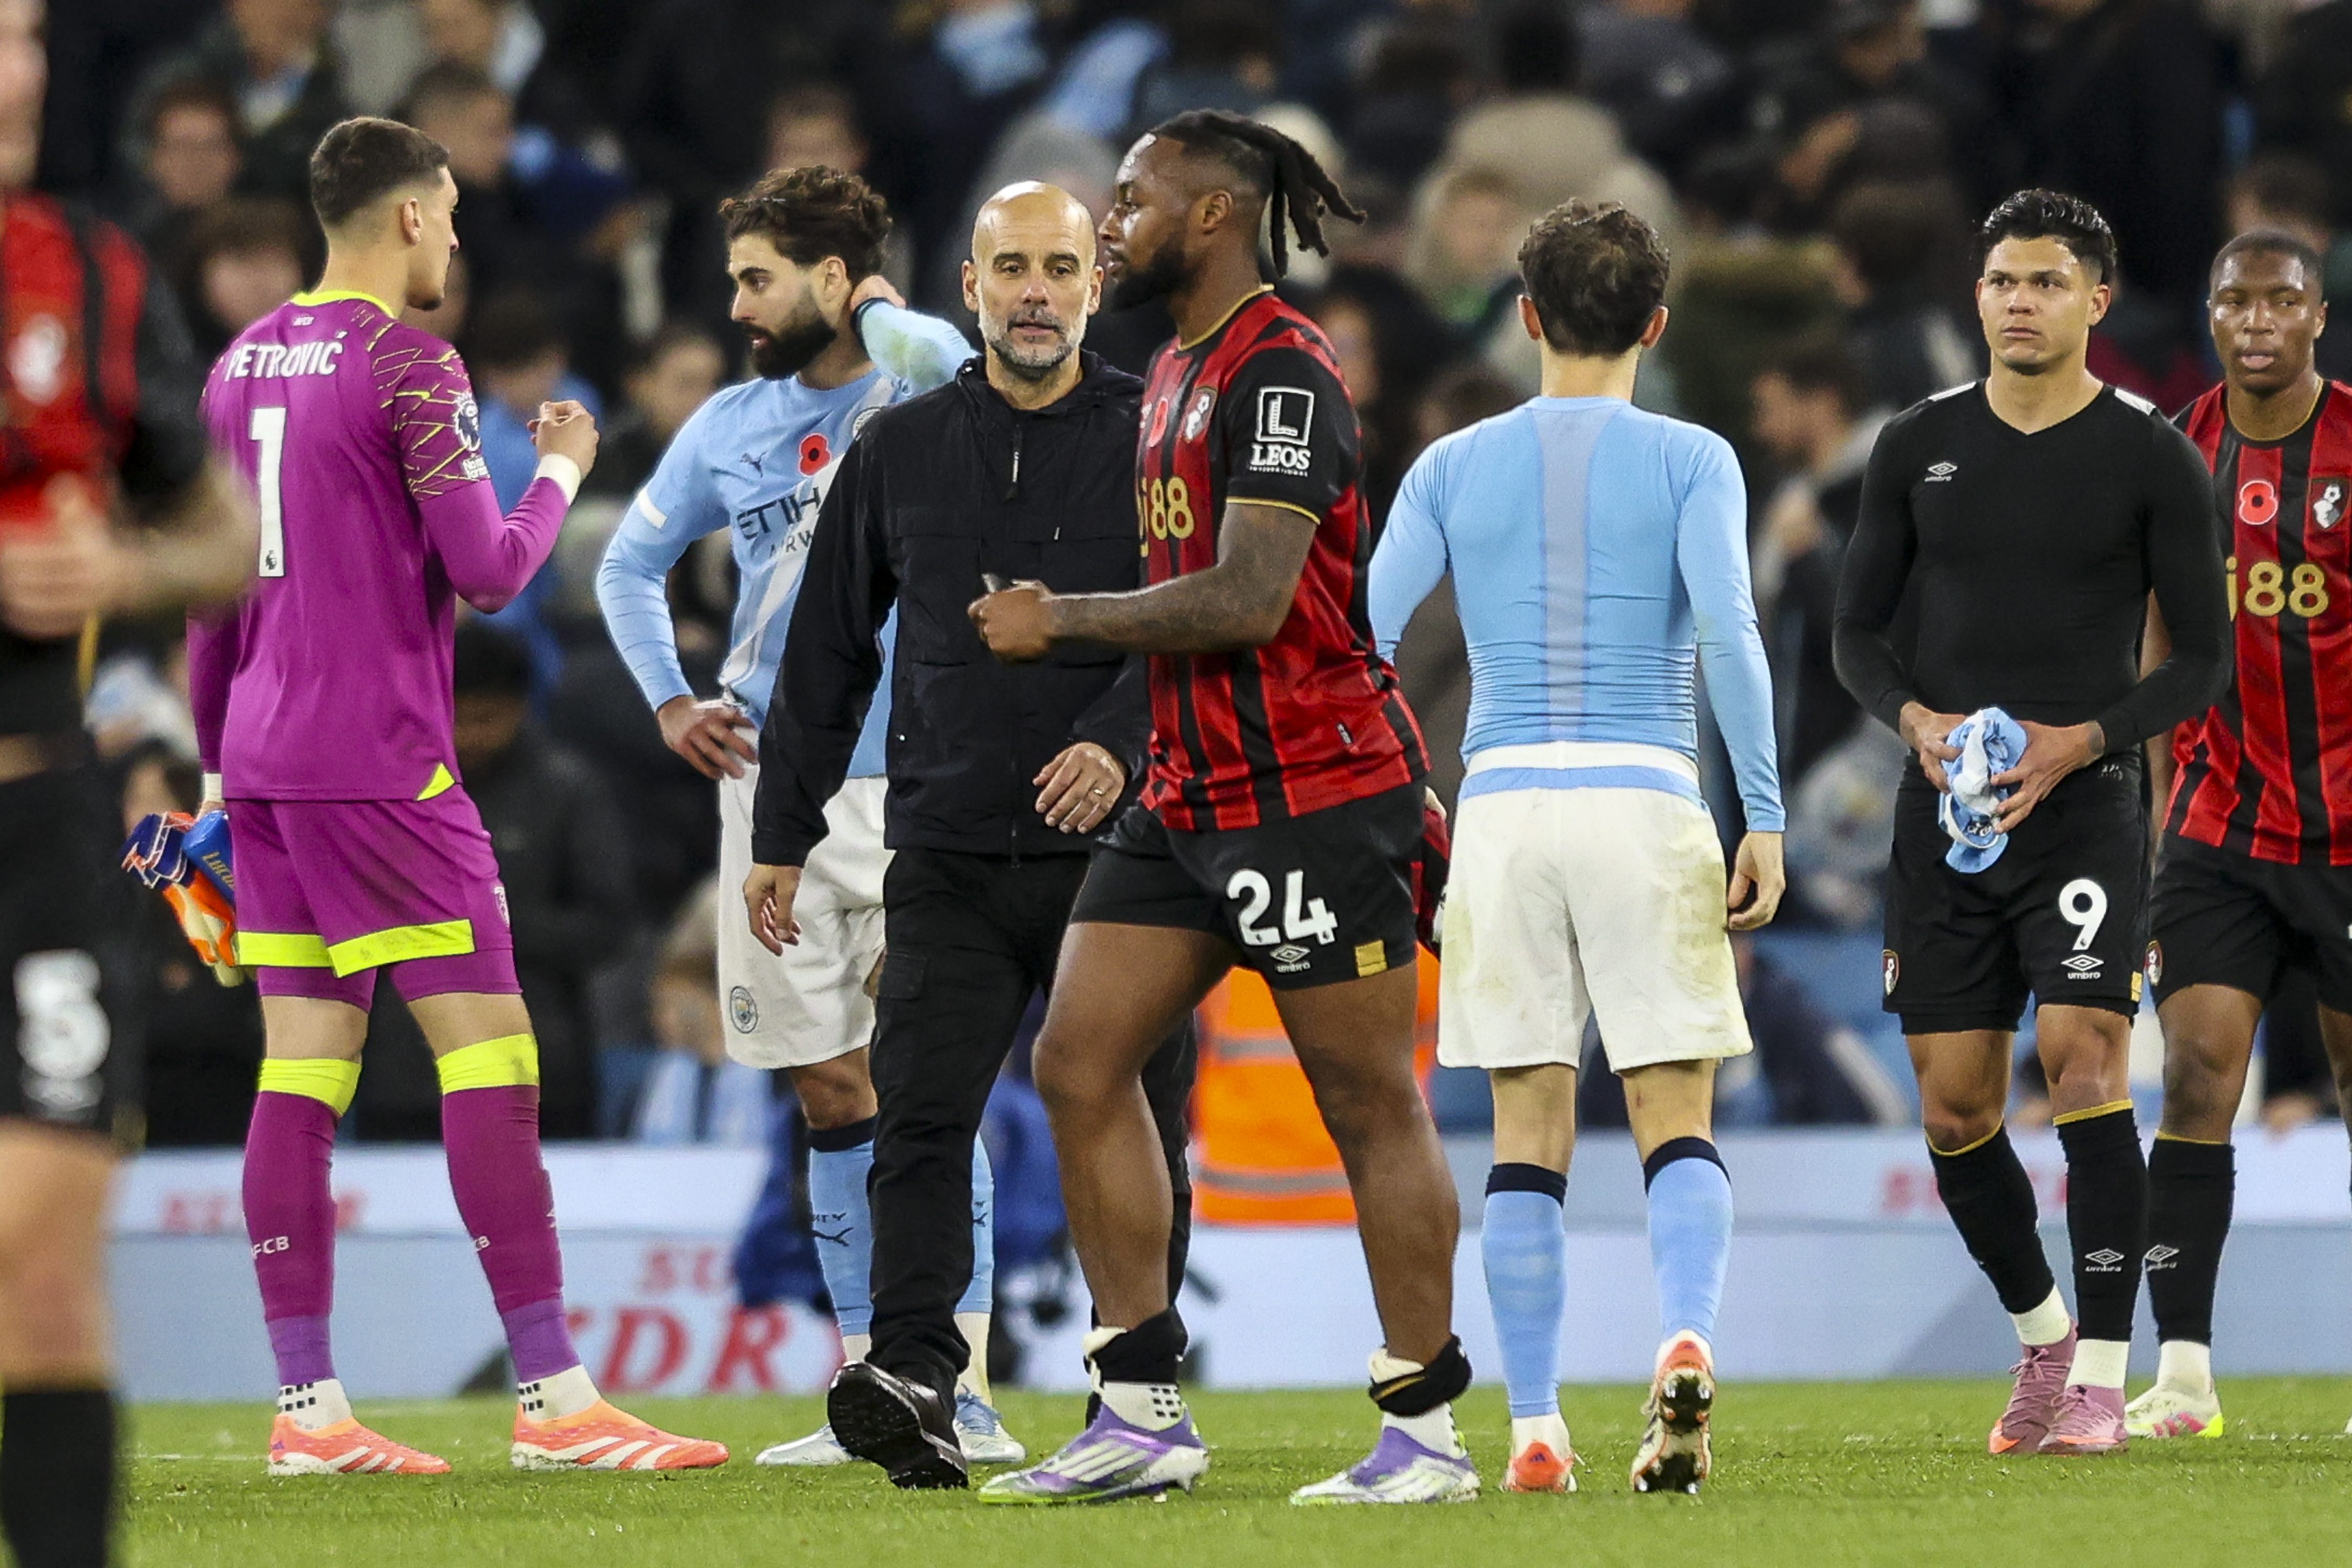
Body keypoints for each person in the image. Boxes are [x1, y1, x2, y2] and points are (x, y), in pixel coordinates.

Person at [189, 114, 725, 1477]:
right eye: (451, 215)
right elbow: (490, 572)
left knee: (300, 1072)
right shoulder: (408, 363)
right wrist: (557, 468)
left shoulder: (237, 365)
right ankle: (554, 1398)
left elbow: (206, 604)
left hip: (260, 760)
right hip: (377, 761)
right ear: (415, 216)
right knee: (491, 1059)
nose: (459, 239)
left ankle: (309, 1414)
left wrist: (209, 769)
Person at [968, 110, 1470, 1506]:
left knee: (1366, 1101)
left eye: (1129, 199)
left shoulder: (1285, 369)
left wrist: (1058, 620)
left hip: (1311, 791)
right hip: (1185, 790)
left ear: (1206, 216)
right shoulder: (1169, 368)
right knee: (1076, 1060)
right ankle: (1137, 1410)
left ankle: (1423, 1432)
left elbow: (1250, 599)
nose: (1106, 221)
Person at [742, 182, 1189, 1491]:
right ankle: (918, 1374)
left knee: (1142, 1119)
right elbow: (826, 655)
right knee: (921, 1118)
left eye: (1060, 267)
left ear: (1095, 289)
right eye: (1013, 269)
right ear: (972, 290)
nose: (1037, 291)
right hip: (945, 846)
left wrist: (1119, 742)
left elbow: (1211, 616)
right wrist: (783, 831)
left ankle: (1140, 1386)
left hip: (1133, 855)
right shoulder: (901, 446)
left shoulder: (1157, 437)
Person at [1369, 199, 1785, 1497]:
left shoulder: (1448, 465)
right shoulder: (1693, 459)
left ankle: (1538, 1424)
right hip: (1645, 793)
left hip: (1498, 809)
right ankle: (1684, 1339)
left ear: (1528, 317)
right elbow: (1729, 632)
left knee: (1523, 1134)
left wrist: (1405, 811)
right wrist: (1760, 812)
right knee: (1673, 1116)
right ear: (1655, 326)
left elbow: (1360, 650)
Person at [592, 164, 990, 1470]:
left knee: (928, 1083)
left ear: (832, 279)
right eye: (734, 279)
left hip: (925, 774)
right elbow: (626, 565)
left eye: (760, 277)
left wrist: (871, 303)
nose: (739, 303)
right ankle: (870, 1381)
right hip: (776, 792)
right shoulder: (728, 425)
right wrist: (667, 701)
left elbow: (946, 350)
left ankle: (961, 1385)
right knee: (827, 1087)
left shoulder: (912, 383)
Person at [1832, 189, 2230, 1457]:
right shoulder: (1916, 443)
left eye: (2047, 282)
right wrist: (1916, 723)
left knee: (2084, 1066)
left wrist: (2083, 742)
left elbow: (2202, 663)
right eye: (2002, 280)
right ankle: (2043, 1335)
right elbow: (1852, 632)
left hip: (2085, 808)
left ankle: (2108, 1380)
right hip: (1944, 812)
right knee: (1954, 1108)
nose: (2019, 301)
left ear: (2097, 302)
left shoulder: (2149, 453)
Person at [0, 4, 258, 1558]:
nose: (18, 69)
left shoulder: (89, 273)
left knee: (45, 1259)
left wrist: (130, 558)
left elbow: (221, 535)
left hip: (36, 823)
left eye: (28, 34)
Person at [2127, 232, 2352, 1440]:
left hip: (2351, 832)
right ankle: (2189, 1375)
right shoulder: (2178, 451)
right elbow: (2164, 631)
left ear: (2319, 316)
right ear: (2210, 317)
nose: (2257, 319)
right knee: (2202, 1074)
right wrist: (2164, 800)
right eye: (2234, 301)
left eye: (2282, 300)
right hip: (2218, 822)